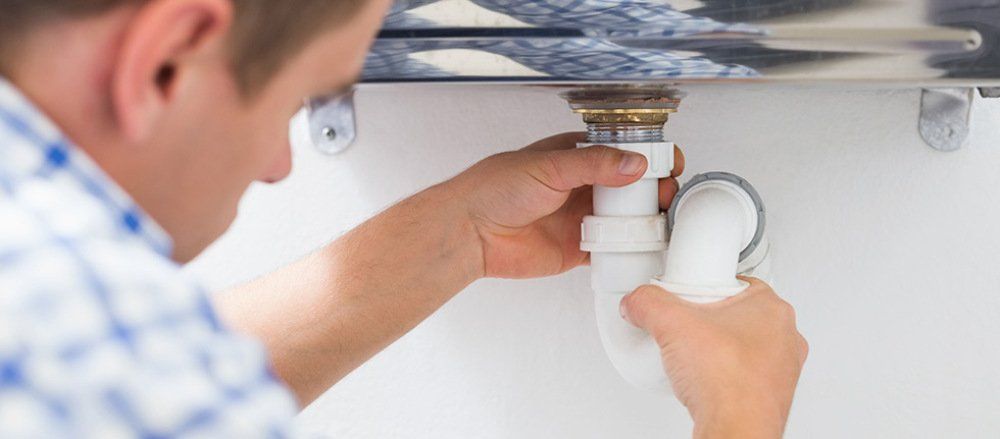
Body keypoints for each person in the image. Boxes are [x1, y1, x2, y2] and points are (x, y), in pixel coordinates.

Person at [0, 0, 808, 437]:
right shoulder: (79, 336)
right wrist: (739, 411)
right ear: (168, 55)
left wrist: (459, 237)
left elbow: (144, 375)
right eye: (298, 98)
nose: (279, 164)